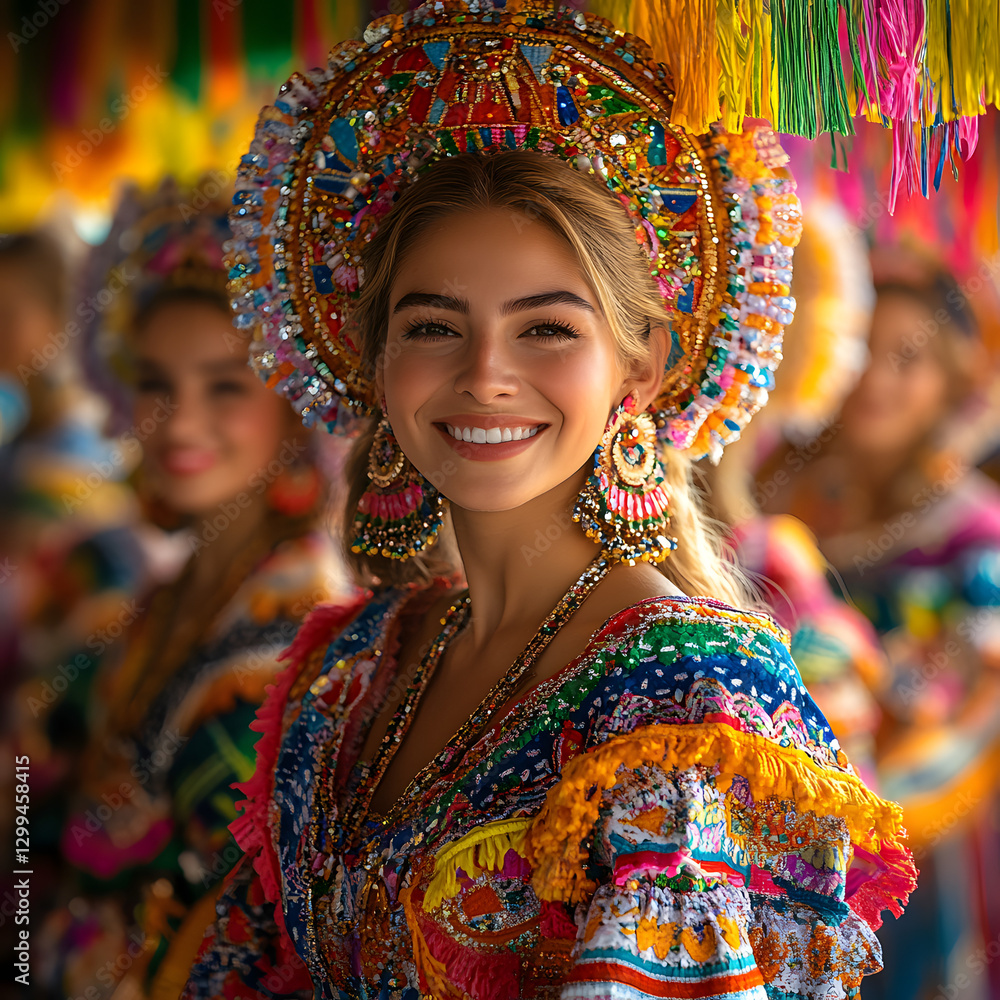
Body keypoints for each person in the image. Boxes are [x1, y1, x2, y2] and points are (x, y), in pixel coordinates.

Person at [184, 3, 916, 998]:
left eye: (544, 331)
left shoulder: (685, 694)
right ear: (376, 359)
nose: (485, 375)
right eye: (435, 326)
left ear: (641, 368)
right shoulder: (348, 668)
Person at [43, 180, 346, 1000]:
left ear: (292, 408)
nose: (179, 421)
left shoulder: (304, 624)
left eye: (223, 385)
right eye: (157, 384)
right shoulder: (161, 594)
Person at [759, 247, 1000, 999]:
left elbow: (961, 717)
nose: (877, 377)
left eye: (910, 358)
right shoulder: (769, 488)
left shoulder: (972, 539)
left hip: (904, 852)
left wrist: (835, 792)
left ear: (954, 378)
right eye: (864, 345)